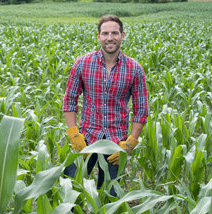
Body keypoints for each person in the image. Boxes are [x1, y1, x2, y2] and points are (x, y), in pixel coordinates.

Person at [62, 14, 149, 196]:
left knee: (110, 197)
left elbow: (141, 110)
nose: (110, 37)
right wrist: (73, 134)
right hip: (85, 138)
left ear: (122, 35)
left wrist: (130, 143)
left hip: (116, 143)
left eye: (115, 33)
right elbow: (70, 99)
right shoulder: (83, 63)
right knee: (69, 191)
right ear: (98, 36)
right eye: (105, 33)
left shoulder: (134, 69)